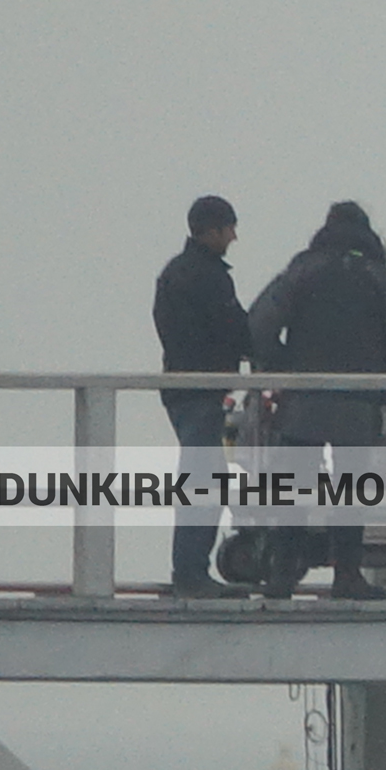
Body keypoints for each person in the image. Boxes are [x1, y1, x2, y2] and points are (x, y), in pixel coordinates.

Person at [250, 202, 386, 599]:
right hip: (358, 402)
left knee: (292, 486)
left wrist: (279, 365)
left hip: (303, 398)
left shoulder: (303, 270)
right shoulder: (379, 277)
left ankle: (282, 574)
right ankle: (347, 574)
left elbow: (259, 321)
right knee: (351, 487)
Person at [152, 195, 252, 598]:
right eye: (229, 228)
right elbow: (235, 328)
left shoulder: (174, 273)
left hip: (179, 388)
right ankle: (191, 573)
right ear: (211, 230)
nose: (233, 236)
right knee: (205, 480)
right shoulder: (210, 276)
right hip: (202, 390)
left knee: (200, 475)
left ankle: (190, 570)